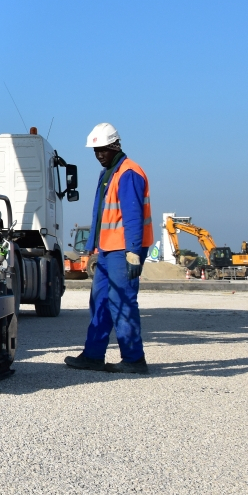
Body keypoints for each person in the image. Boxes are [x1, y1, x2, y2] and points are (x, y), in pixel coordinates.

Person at [65, 123, 153, 374]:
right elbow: (101, 215)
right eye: (95, 151)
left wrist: (134, 251)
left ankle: (134, 359)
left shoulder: (128, 172)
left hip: (124, 250)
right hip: (106, 250)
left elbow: (133, 215)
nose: (99, 155)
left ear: (115, 146)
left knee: (121, 301)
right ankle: (93, 356)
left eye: (103, 150)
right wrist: (93, 245)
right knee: (100, 301)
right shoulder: (110, 173)